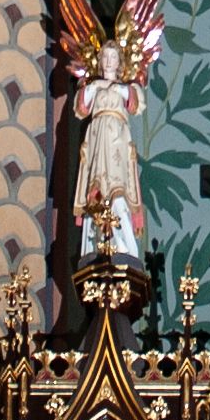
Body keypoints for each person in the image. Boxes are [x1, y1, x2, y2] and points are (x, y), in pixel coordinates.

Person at [74, 34, 147, 259]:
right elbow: (81, 107)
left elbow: (134, 104)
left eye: (113, 57)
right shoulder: (93, 86)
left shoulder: (125, 87)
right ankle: (91, 250)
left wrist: (114, 87)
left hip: (117, 144)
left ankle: (126, 250)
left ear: (119, 62)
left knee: (118, 194)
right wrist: (96, 85)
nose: (108, 61)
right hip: (97, 143)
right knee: (95, 193)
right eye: (105, 57)